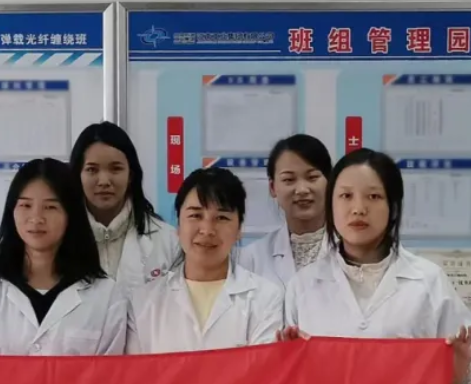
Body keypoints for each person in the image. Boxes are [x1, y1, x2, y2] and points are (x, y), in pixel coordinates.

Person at [282, 148, 471, 384]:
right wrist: (289, 364)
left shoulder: (427, 281)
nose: (358, 209)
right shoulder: (303, 286)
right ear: (331, 206)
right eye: (346, 196)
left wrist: (459, 373)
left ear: (393, 207)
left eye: (373, 196)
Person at [0, 157, 126, 356]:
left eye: (50, 207)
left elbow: (112, 373)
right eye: (26, 205)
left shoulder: (107, 297)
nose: (36, 218)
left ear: (71, 215)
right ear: (12, 211)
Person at [128, 166, 283, 354]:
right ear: (178, 225)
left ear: (239, 229)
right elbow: (136, 371)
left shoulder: (266, 298)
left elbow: (264, 368)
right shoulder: (144, 302)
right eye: (195, 215)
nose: (207, 230)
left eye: (222, 217)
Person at [69, 122, 177, 289]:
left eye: (115, 169)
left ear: (131, 175)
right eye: (92, 170)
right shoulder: (58, 239)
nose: (104, 181)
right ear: (78, 175)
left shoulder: (167, 240)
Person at [236, 134, 332, 286]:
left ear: (330, 182)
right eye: (289, 180)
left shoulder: (353, 250)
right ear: (272, 187)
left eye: (312, 177)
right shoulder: (252, 258)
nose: (302, 189)